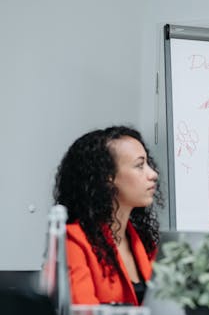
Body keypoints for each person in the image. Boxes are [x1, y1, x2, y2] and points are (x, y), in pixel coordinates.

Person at [54, 126, 161, 305]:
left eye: (148, 164)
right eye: (139, 165)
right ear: (107, 178)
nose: (153, 174)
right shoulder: (73, 241)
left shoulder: (144, 242)